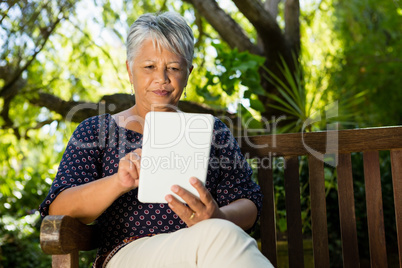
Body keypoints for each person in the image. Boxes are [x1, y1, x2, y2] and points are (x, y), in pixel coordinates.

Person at [39, 11, 273, 268]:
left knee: (219, 234)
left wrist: (217, 215)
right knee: (221, 235)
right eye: (149, 67)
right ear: (130, 70)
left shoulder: (214, 132)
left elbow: (248, 202)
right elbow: (58, 209)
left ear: (188, 72)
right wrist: (118, 182)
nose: (161, 78)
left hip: (208, 249)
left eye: (173, 68)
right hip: (130, 254)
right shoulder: (96, 131)